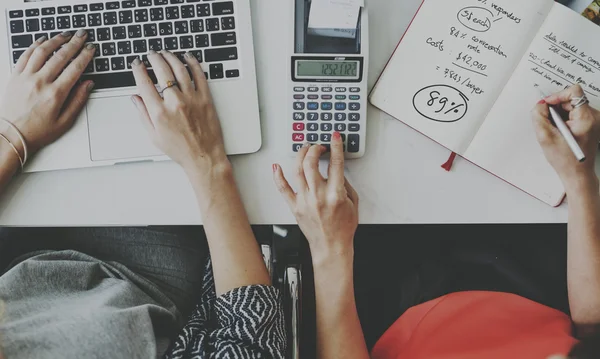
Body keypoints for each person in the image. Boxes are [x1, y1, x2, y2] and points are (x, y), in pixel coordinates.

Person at [0, 30, 285, 358]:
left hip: (17, 257)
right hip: (143, 277)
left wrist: (14, 134)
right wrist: (207, 162)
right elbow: (251, 341)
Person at [272, 84, 600, 359]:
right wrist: (580, 180)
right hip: (543, 293)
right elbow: (594, 332)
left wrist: (329, 249)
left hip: (392, 310)